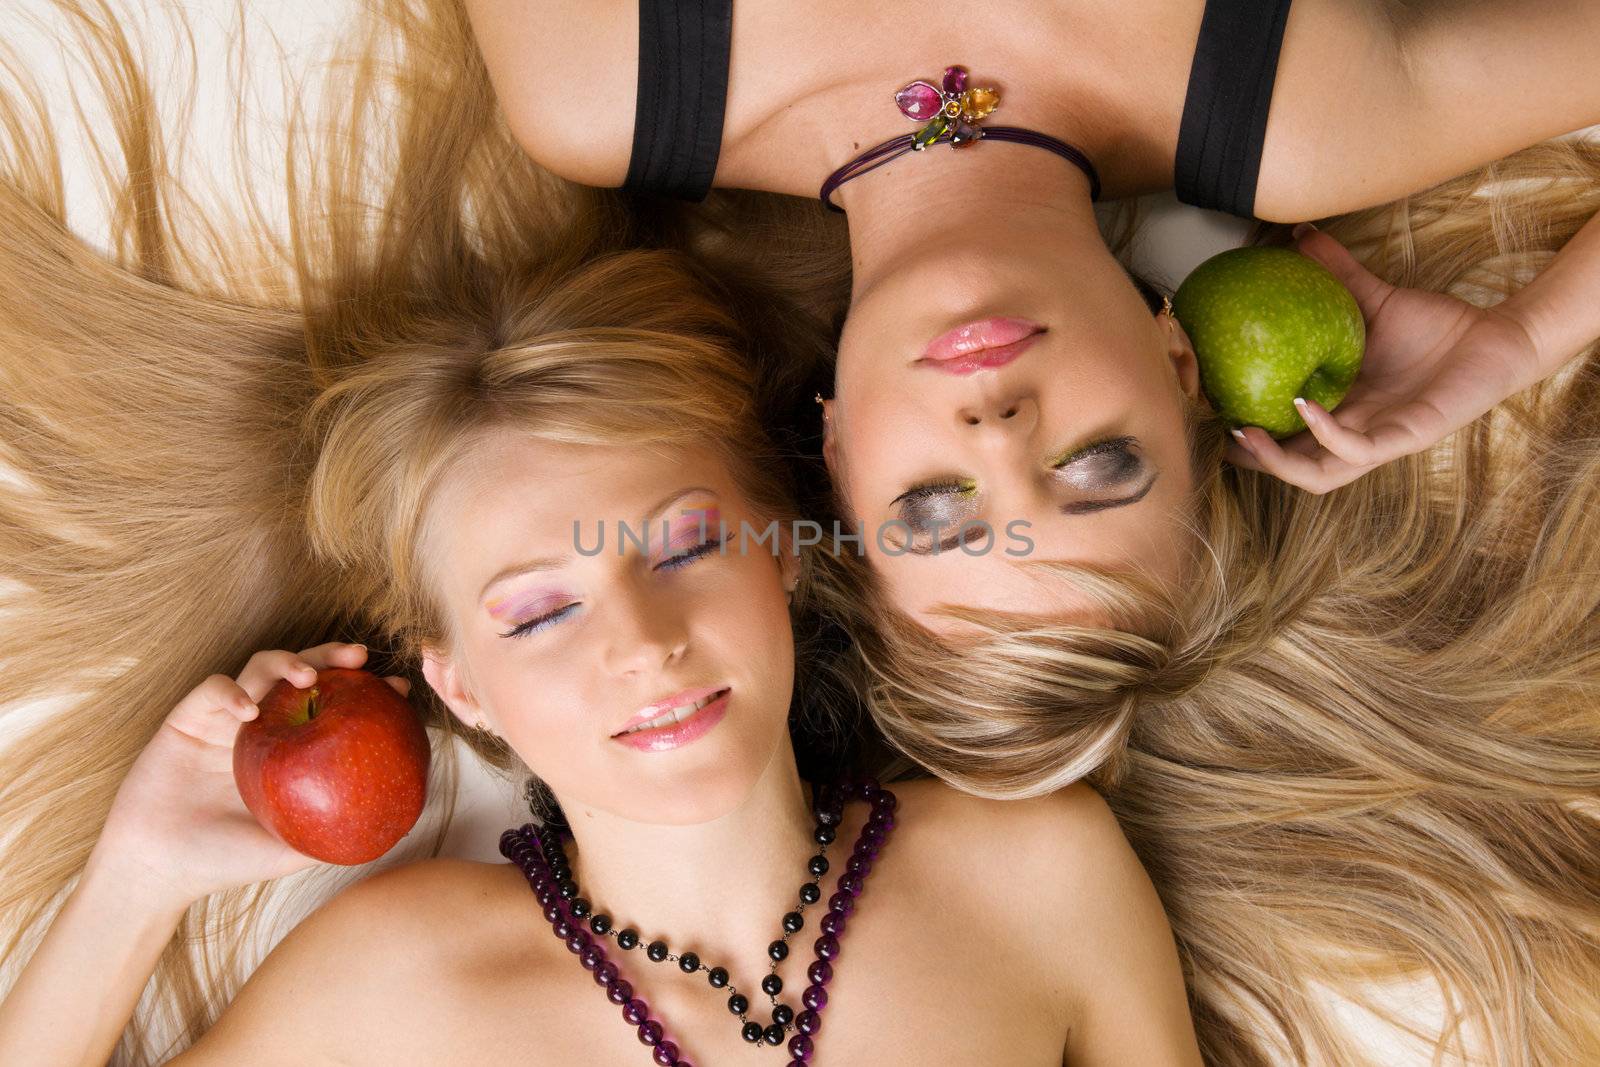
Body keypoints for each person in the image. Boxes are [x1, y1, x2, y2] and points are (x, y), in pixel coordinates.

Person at [0, 4, 1200, 1065]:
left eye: (680, 549)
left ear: (782, 542)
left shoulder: (1038, 877)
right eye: (539, 608)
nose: (642, 643)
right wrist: (137, 876)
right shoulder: (396, 983)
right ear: (458, 680)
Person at [462, 1, 1600, 1063]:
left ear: (838, 459)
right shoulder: (1305, 114)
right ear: (1176, 366)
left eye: (937, 508)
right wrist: (1524, 338)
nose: (999, 428)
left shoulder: (605, 84)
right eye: (1097, 467)